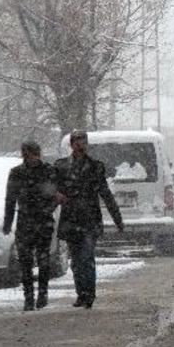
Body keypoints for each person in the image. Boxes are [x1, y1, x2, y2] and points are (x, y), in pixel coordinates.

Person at [55, 130, 125, 308]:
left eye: (83, 141)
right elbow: (53, 191)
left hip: (89, 220)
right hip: (71, 219)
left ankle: (89, 294)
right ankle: (81, 293)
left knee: (86, 257)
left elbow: (105, 194)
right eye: (76, 141)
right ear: (71, 145)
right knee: (76, 261)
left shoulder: (95, 166)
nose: (80, 144)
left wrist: (118, 219)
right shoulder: (61, 166)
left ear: (87, 144)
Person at [2, 141, 59, 311]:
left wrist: (47, 210)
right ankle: (28, 296)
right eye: (27, 154)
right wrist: (7, 222)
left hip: (43, 220)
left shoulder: (48, 171)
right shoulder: (17, 173)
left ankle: (42, 293)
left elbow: (56, 196)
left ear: (38, 154)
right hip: (25, 221)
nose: (31, 158)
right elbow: (10, 199)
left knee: (43, 260)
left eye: (33, 154)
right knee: (25, 261)